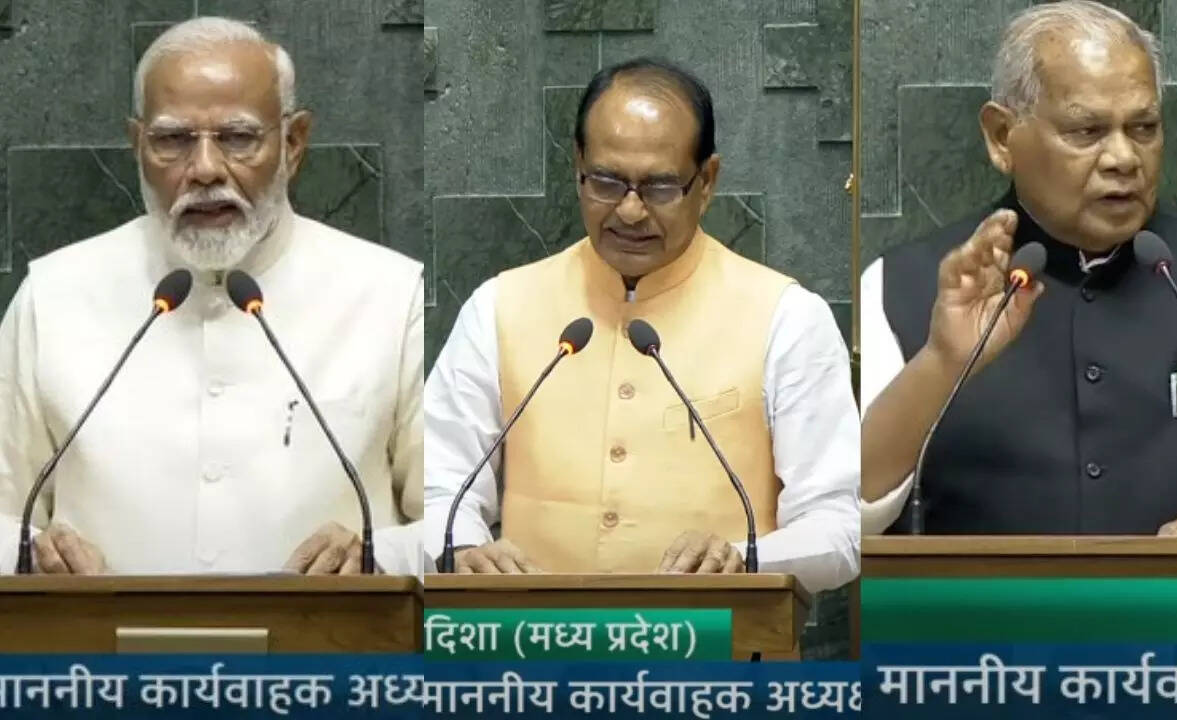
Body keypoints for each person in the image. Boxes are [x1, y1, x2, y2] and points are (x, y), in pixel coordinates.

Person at [0, 17, 424, 574]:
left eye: (238, 138)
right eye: (172, 140)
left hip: (332, 633)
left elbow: (447, 524)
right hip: (96, 634)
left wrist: (377, 555)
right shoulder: (53, 295)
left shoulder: (389, 295)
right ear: (137, 146)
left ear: (293, 143)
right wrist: (34, 558)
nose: (204, 170)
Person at [424, 57, 858, 593]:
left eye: (660, 187)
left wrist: (745, 560)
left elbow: (838, 527)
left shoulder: (787, 318)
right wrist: (464, 550)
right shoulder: (499, 307)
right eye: (606, 182)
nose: (630, 211)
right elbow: (440, 484)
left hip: (718, 642)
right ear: (577, 165)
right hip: (535, 641)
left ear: (707, 181)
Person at [861, 0, 1177, 536]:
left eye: (1144, 127)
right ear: (1001, 137)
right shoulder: (898, 287)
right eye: (1086, 131)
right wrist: (941, 361)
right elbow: (853, 515)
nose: (1123, 158)